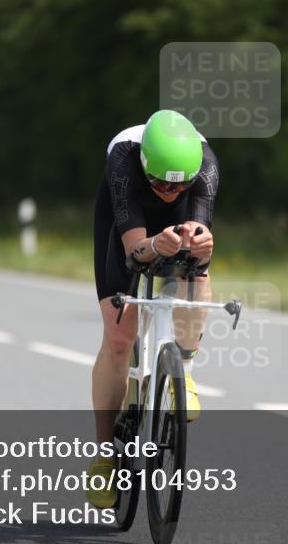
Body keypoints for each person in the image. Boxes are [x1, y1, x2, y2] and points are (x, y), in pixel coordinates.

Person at [87, 109, 219, 509]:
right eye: (160, 182)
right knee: (119, 338)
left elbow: (197, 236)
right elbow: (133, 253)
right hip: (126, 223)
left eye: (179, 185)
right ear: (146, 167)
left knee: (197, 270)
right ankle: (106, 455)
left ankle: (187, 371)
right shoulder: (124, 160)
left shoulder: (207, 167)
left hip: (174, 224)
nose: (169, 190)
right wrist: (152, 246)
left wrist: (198, 244)